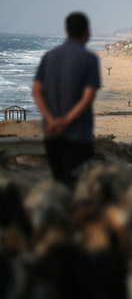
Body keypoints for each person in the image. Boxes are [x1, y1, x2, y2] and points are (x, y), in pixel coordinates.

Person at [32, 12, 101, 187]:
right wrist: (66, 121)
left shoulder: (49, 56)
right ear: (87, 32)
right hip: (78, 136)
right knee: (78, 187)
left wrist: (52, 120)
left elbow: (37, 91)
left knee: (59, 183)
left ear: (66, 30)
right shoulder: (89, 59)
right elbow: (88, 98)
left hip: (52, 134)